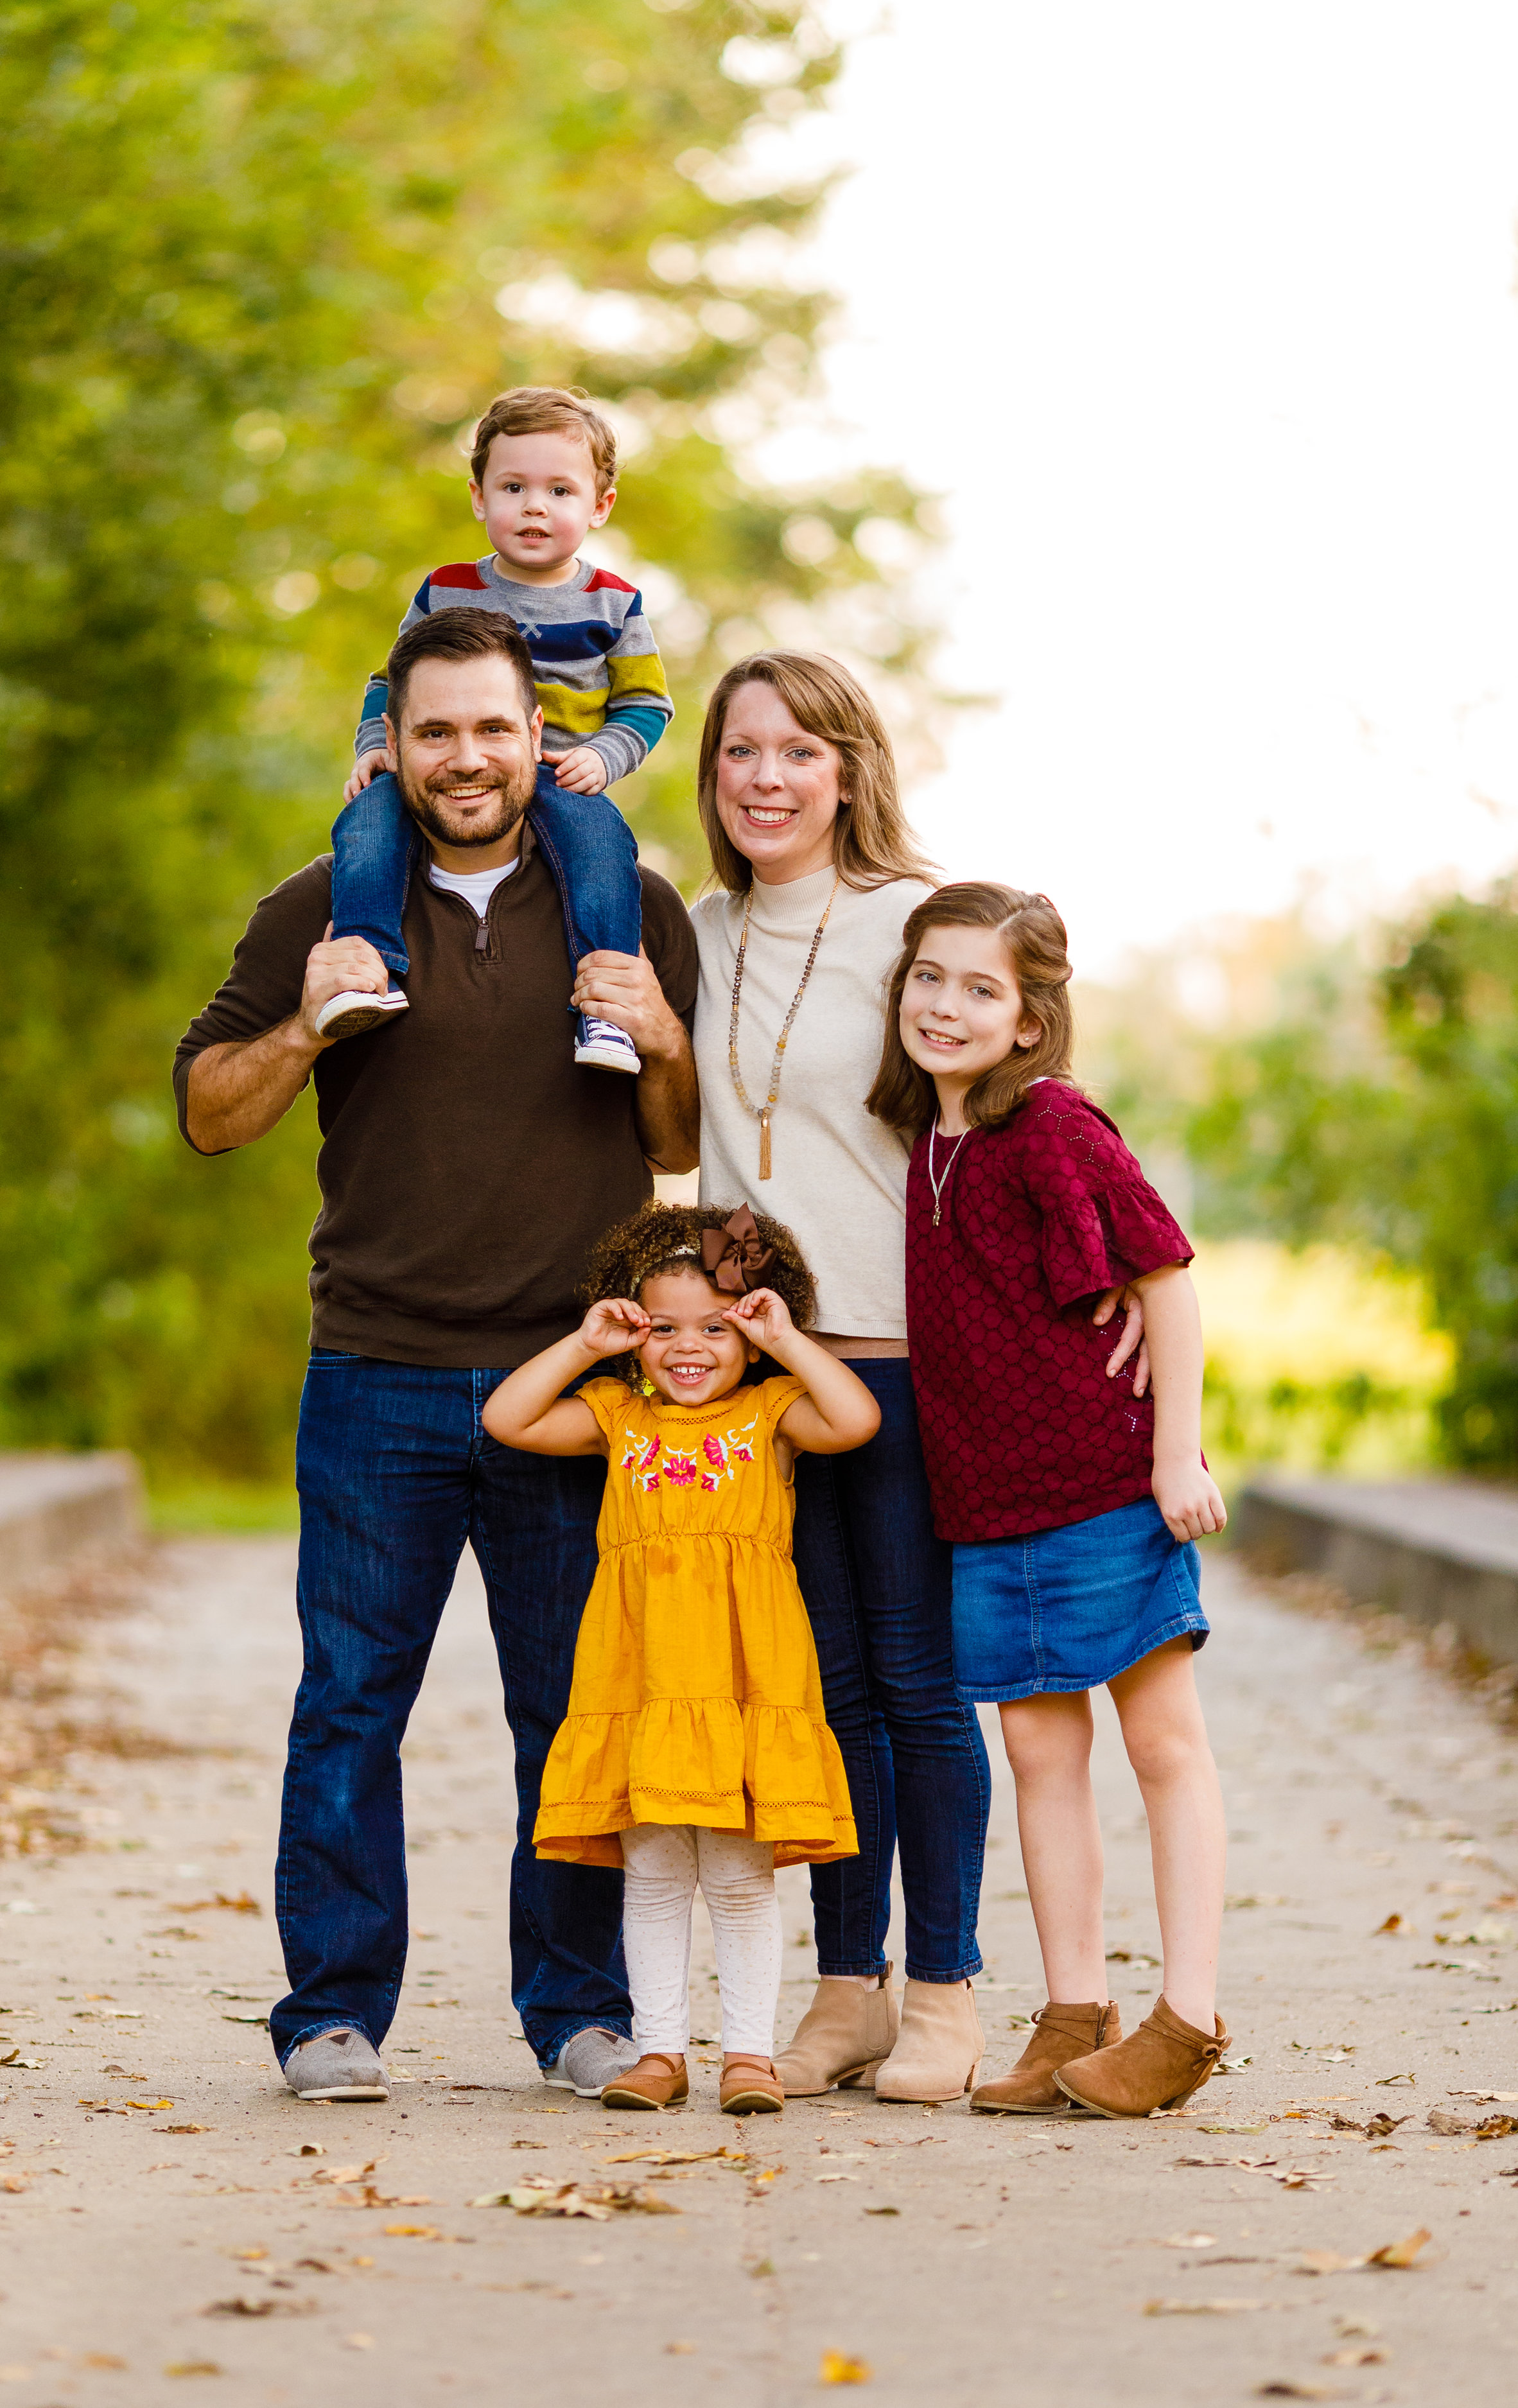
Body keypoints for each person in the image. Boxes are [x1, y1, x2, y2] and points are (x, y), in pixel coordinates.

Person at [171, 607, 699, 2105]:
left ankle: (582, 2011)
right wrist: (305, 1027)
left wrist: (661, 1035)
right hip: (377, 1372)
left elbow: (679, 1147)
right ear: (389, 743)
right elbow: (211, 1111)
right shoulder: (319, 906)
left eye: (493, 727)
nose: (466, 757)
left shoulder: (627, 905)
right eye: (436, 729)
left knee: (571, 1708)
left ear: (539, 736)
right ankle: (332, 2011)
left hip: (570, 1387)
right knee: (349, 1702)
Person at [689, 651, 1149, 2104]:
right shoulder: (690, 927)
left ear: (848, 769)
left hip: (906, 1367)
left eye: (798, 751)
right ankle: (850, 1985)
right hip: (764, 1374)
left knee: (917, 1680)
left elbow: (1026, 1088)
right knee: (818, 1691)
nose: (766, 777)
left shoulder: (909, 921)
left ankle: (945, 1987)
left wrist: (1126, 1275)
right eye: (739, 751)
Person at [870, 880, 1232, 2118]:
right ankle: (1074, 2011)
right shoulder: (932, 1142)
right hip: (988, 1505)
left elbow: (1166, 1281)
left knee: (1162, 1742)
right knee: (1036, 1750)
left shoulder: (1057, 1125)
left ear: (1030, 1020)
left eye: (982, 988)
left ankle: (1188, 2016)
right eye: (929, 977)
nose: (947, 1004)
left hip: (1102, 1486)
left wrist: (1176, 1457)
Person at [482, 1201, 877, 2114]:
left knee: (737, 1877)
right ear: (634, 1332)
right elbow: (509, 1417)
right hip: (644, 1678)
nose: (688, 1346)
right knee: (656, 1872)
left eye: (715, 1325)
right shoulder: (618, 1414)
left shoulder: (771, 1412)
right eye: (663, 1327)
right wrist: (586, 1346)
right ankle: (660, 2050)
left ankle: (749, 2054)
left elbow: (855, 1418)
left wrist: (785, 1337)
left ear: (750, 1333)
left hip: (745, 1680)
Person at [318, 385, 673, 1076]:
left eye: (560, 491)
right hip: (450, 763)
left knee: (604, 851)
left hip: (562, 768)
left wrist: (604, 758)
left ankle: (603, 1009)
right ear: (480, 497)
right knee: (366, 825)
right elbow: (388, 682)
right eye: (513, 486)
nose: (535, 506)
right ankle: (368, 972)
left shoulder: (615, 601)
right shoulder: (446, 589)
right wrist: (374, 751)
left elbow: (647, 704)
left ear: (599, 506)